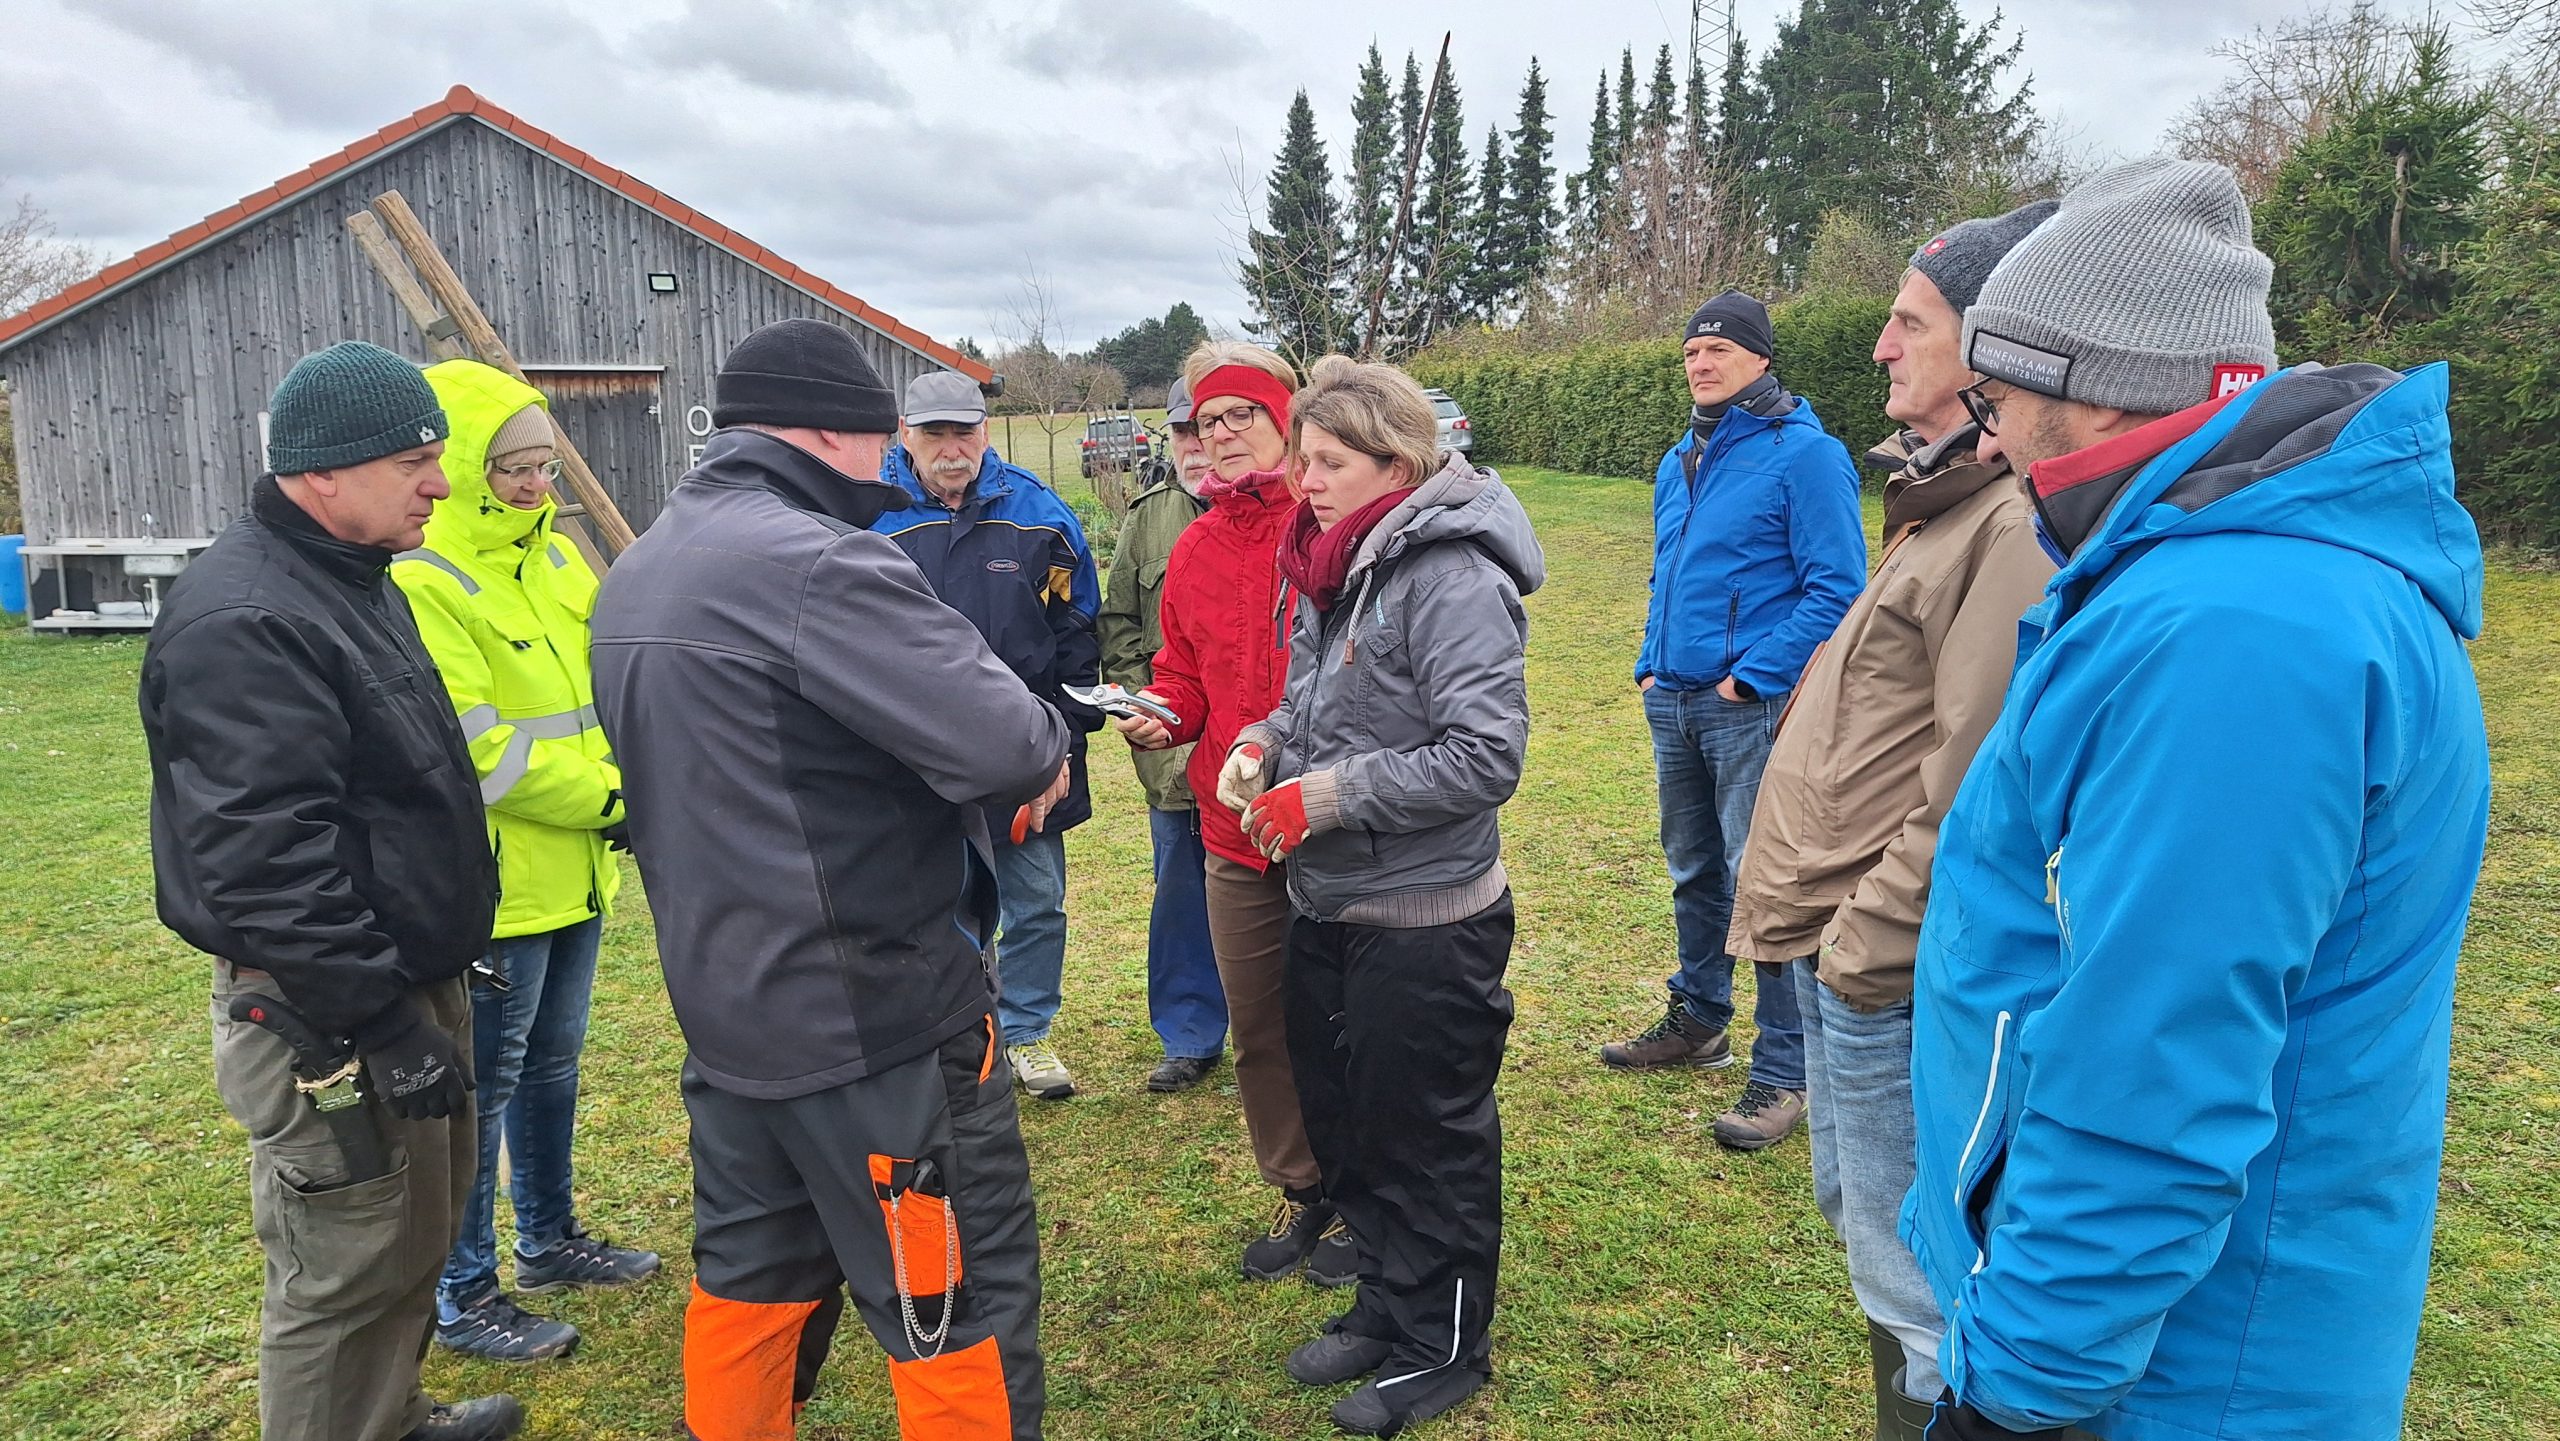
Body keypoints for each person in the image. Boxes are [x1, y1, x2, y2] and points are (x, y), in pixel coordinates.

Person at [1905, 159, 2491, 1441]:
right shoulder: (2236, 580)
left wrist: (2023, 1392)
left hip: (2181, 1376)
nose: (1988, 438)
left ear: (2095, 385)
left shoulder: (2231, 630)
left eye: (1996, 397)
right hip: (2182, 1338)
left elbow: (2151, 1066)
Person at [590, 319, 1069, 1440]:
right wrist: (1046, 740)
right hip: (877, 1018)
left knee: (750, 1281)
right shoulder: (819, 561)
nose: (887, 469)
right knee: (955, 1299)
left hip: (729, 1013)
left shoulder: (643, 564)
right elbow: (1006, 740)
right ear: (830, 433)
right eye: (876, 445)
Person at [139, 341, 521, 1441]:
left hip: (395, 983)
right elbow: (264, 863)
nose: (440, 485)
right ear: (323, 472)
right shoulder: (249, 621)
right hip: (327, 1016)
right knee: (341, 1270)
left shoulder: (350, 578)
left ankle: (389, 1418)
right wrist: (380, 1019)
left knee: (408, 1239)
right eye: (414, 461)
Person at [1722, 201, 2055, 1440]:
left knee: (1918, 1281)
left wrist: (1864, 948)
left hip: (1888, 965)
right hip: (1845, 948)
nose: (1877, 345)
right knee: (1870, 1237)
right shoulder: (1947, 502)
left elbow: (1974, 778)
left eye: (1909, 321)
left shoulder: (2007, 526)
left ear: (1994, 349)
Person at [1225, 356, 1542, 1436]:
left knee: (1428, 1136)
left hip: (1425, 917)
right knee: (1351, 1123)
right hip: (1332, 904)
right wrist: (1268, 738)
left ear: (1395, 463)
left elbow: (1485, 756)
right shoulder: (1336, 559)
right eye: (1303, 456)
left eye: (1328, 460)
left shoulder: (1448, 571)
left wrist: (1332, 794)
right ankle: (1387, 1306)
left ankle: (1444, 1344)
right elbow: (1326, 701)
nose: (1303, 478)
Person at [390, 361, 661, 1363]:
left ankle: (548, 1239)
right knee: (482, 1090)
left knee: (553, 1068)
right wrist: (622, 797)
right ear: (462, 468)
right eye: (511, 468)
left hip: (580, 872)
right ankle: (464, 1294)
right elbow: (485, 751)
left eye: (545, 463)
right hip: (500, 888)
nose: (535, 483)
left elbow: (614, 683)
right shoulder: (428, 581)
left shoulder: (558, 560)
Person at [1110, 340, 1351, 1286]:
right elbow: (1184, 674)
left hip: (1331, 821)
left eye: (1240, 415)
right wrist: (1159, 713)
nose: (1220, 435)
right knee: (1258, 1026)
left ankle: (1368, 1196)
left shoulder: (1333, 527)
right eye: (1207, 422)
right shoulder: (1196, 546)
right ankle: (1305, 1191)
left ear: (1285, 422)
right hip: (1230, 831)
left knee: (1344, 1022)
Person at [1603, 289, 1867, 1154]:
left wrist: (1750, 679)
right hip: (1671, 699)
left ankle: (1785, 1067)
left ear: (1760, 359)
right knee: (1694, 869)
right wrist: (1650, 658)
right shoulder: (1676, 459)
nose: (1702, 362)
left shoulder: (1807, 457)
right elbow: (1666, 575)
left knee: (1771, 885)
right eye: (1690, 352)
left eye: (1719, 349)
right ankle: (1700, 1019)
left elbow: (1837, 588)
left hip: (1746, 708)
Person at [874, 369, 1104, 1102]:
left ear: (984, 432)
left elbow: (1077, 641)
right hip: (912, 759)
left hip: (1025, 753)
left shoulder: (1041, 516)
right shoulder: (866, 518)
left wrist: (1063, 744)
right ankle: (953, 1038)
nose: (951, 448)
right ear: (904, 434)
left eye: (963, 432)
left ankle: (1027, 1032)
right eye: (933, 432)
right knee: (930, 908)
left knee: (1036, 900)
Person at [1097, 376, 1227, 1092]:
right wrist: (1138, 709)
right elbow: (1118, 624)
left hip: (1261, 753)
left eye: (1207, 428)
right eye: (1182, 432)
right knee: (1182, 894)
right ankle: (1190, 1032)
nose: (1197, 445)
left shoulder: (1295, 511)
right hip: (1175, 754)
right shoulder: (1148, 518)